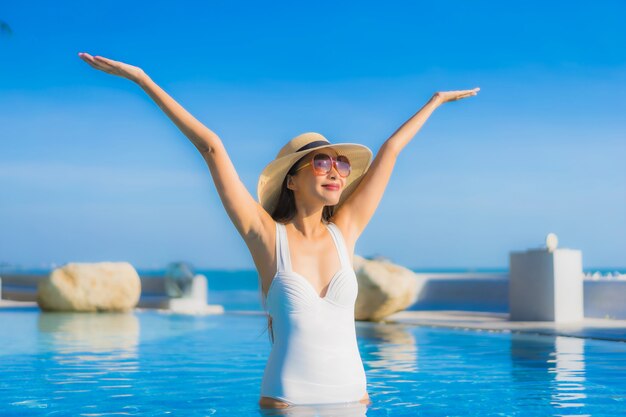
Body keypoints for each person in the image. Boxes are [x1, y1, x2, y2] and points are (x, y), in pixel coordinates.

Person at [77, 52, 479, 409]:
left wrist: (436, 102)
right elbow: (212, 147)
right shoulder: (267, 237)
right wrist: (143, 79)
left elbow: (390, 150)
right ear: (291, 180)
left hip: (355, 399)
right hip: (289, 402)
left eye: (340, 164)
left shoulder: (346, 231)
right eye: (321, 163)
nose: (336, 172)